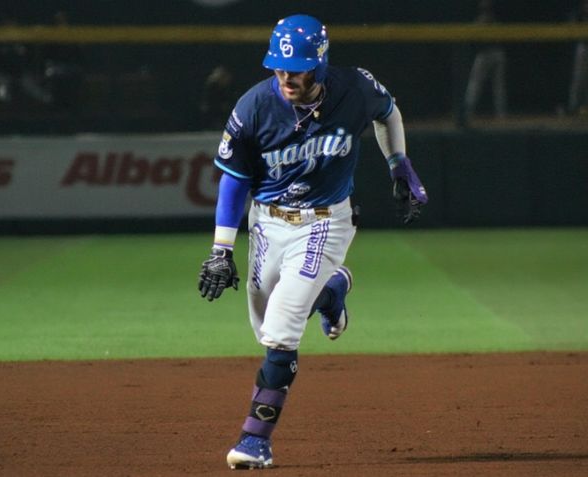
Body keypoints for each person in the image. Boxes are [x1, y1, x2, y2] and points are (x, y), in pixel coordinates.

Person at [196, 14, 428, 470]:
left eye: (296, 68)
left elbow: (389, 112)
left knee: (281, 329)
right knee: (265, 324)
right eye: (279, 68)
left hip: (327, 221)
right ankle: (332, 291)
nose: (286, 77)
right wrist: (221, 249)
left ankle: (254, 439)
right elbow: (232, 181)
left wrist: (398, 163)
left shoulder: (355, 89)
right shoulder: (253, 107)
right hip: (268, 222)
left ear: (319, 64)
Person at [464, 0, 507, 119]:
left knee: (476, 84)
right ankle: (501, 113)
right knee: (496, 86)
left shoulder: (481, 21)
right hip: (495, 53)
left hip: (489, 53)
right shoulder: (493, 21)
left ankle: (468, 112)